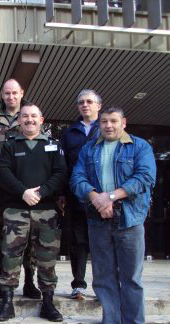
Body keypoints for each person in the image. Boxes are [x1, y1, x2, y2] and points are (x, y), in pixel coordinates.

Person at [71, 107, 156, 324]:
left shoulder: (139, 147)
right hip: (98, 218)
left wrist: (110, 197)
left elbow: (145, 177)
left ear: (124, 123)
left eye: (114, 121)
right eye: (105, 121)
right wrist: (97, 198)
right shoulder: (90, 149)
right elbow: (77, 179)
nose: (108, 125)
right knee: (104, 276)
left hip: (129, 219)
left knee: (131, 277)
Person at [0, 103, 66, 322]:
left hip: (46, 211)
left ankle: (48, 302)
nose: (29, 120)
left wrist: (42, 193)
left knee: (46, 258)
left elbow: (60, 173)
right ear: (19, 120)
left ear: (41, 120)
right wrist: (23, 192)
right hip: (16, 210)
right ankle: (7, 302)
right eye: (25, 116)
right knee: (10, 257)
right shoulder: (9, 145)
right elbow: (4, 172)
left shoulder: (53, 145)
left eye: (34, 116)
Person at [0, 79, 40, 300]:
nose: (10, 97)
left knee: (30, 237)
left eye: (14, 93)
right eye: (7, 93)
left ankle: (29, 281)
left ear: (21, 93)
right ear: (2, 94)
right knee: (2, 237)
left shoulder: (30, 115)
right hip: (1, 189)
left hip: (27, 187)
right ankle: (2, 279)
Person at [60, 89, 101, 300]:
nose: (85, 105)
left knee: (102, 242)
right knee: (78, 242)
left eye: (89, 102)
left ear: (98, 106)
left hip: (104, 198)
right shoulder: (69, 133)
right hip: (77, 196)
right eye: (81, 102)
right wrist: (64, 193)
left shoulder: (106, 128)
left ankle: (104, 285)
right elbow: (64, 166)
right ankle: (79, 285)